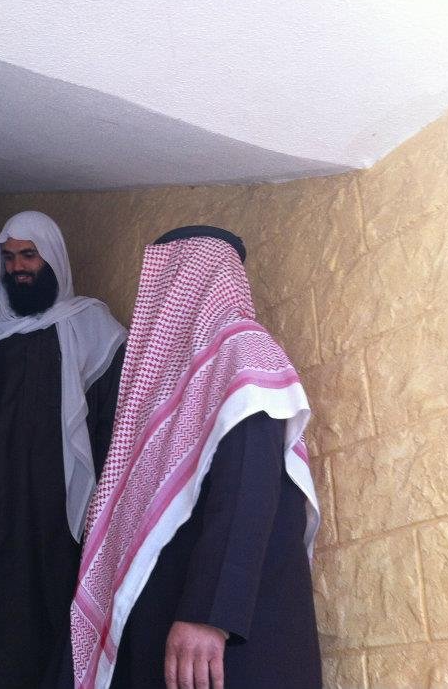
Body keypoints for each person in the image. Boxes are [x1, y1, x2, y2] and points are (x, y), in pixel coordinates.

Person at [72, 226, 322, 689]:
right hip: (170, 625)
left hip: (221, 641)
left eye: (168, 279)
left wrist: (210, 613)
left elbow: (248, 487)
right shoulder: (171, 384)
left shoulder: (241, 352)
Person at [0, 210, 126, 689]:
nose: (18, 268)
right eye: (9, 258)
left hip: (58, 507)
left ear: (53, 259)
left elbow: (110, 423)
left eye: (28, 255)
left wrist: (104, 503)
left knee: (52, 615)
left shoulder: (93, 326)